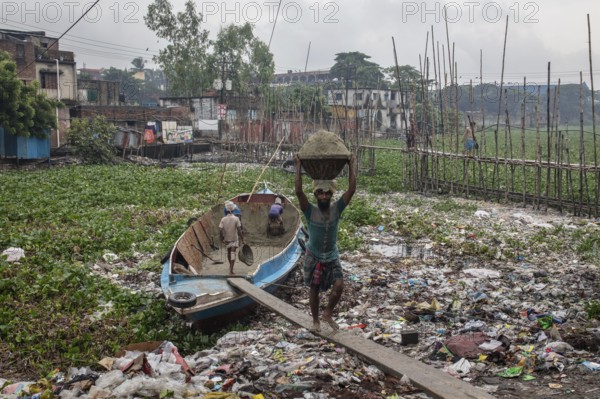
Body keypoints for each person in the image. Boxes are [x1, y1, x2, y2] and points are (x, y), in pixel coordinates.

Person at [294, 153, 357, 332]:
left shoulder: (337, 209)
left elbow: (351, 190)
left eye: (327, 193)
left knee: (339, 284)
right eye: (320, 193)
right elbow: (298, 191)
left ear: (331, 195)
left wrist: (351, 165)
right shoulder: (309, 210)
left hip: (331, 254)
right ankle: (315, 321)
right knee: (314, 288)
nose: (323, 196)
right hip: (313, 253)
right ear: (315, 194)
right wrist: (298, 165)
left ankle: (327, 313)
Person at [219, 201, 244, 275]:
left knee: (229, 252)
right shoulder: (236, 219)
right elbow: (239, 230)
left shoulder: (223, 219)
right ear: (233, 210)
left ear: (226, 210)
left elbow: (220, 230)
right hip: (234, 239)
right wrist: (242, 239)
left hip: (227, 239)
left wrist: (222, 239)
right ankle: (231, 270)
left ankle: (231, 267)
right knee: (233, 253)